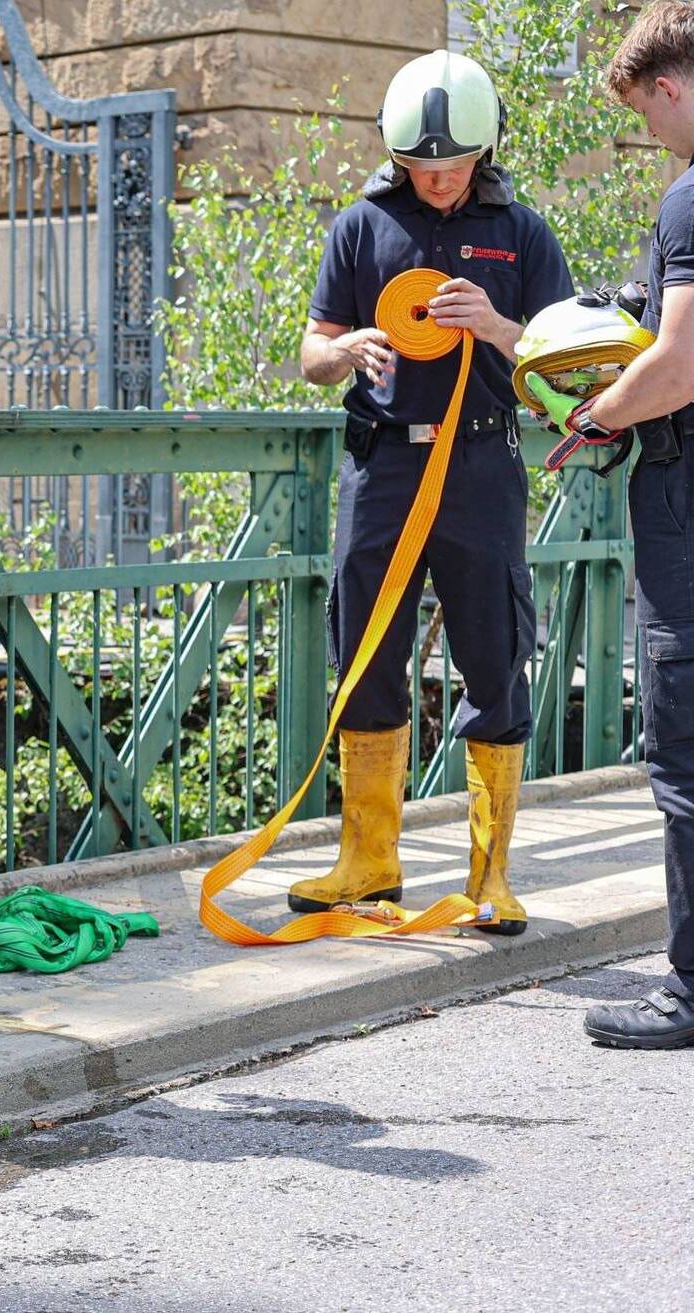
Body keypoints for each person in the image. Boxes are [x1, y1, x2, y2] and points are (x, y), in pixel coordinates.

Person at [293, 49, 573, 933]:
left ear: (485, 152)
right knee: (365, 652)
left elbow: (560, 368)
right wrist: (347, 350)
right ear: (395, 154)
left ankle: (491, 877)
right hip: (382, 465)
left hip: (481, 466)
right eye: (420, 164)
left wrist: (494, 325)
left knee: (494, 655)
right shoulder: (361, 226)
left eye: (454, 164)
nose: (439, 178)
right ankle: (368, 862)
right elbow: (311, 354)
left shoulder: (523, 233)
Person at [541, 2, 694, 1049]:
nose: (649, 133)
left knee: (684, 755)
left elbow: (677, 365)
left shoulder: (689, 199)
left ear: (668, 87)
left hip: (686, 514)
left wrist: (595, 416)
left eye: (645, 114)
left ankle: (689, 991)